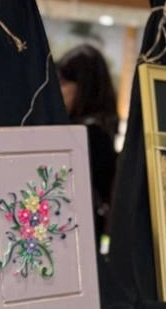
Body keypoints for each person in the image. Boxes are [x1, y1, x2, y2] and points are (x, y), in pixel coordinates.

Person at [57, 44, 119, 239]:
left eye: (63, 84)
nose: (58, 92)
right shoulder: (101, 129)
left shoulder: (88, 134)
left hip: (76, 233)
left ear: (83, 87)